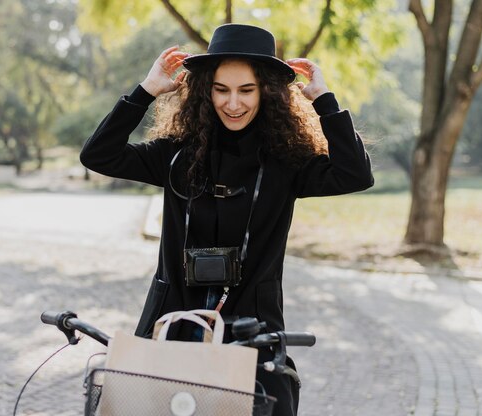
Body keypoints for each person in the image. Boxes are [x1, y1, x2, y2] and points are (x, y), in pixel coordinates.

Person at [80, 23, 374, 415]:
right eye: (221, 90)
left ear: (267, 93)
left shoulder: (285, 163)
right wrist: (145, 92)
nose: (233, 103)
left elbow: (355, 174)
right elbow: (97, 155)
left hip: (253, 334)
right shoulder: (174, 155)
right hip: (172, 324)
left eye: (246, 90)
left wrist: (324, 101)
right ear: (205, 92)